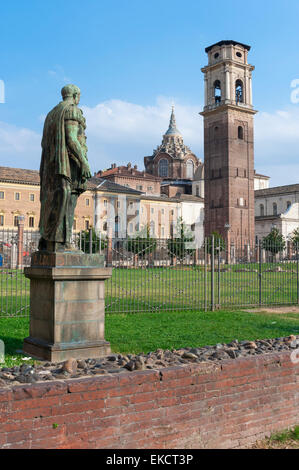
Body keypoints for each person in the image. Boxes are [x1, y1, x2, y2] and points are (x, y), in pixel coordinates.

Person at [38, 84, 91, 251]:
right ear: (75, 95)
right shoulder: (72, 110)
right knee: (68, 199)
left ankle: (48, 240)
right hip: (67, 162)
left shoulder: (51, 114)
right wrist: (84, 161)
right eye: (79, 95)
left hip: (51, 165)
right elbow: (72, 139)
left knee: (53, 200)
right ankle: (63, 242)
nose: (79, 99)